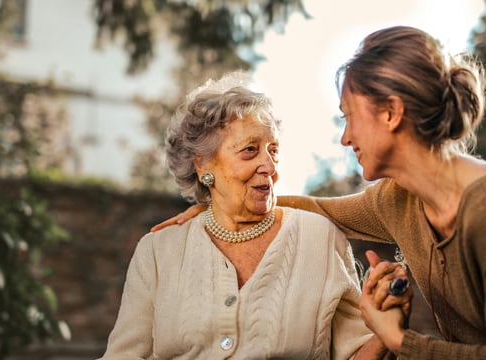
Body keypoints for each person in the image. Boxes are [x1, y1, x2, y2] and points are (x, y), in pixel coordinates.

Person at [151, 26, 486, 359]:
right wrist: (220, 207)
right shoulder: (399, 199)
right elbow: (319, 209)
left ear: (391, 112)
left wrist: (400, 341)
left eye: (349, 117)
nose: (345, 138)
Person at [99, 71, 411, 359]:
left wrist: (385, 334)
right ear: (203, 165)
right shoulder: (158, 251)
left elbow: (355, 354)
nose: (271, 167)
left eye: (273, 150)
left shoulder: (320, 238)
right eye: (250, 150)